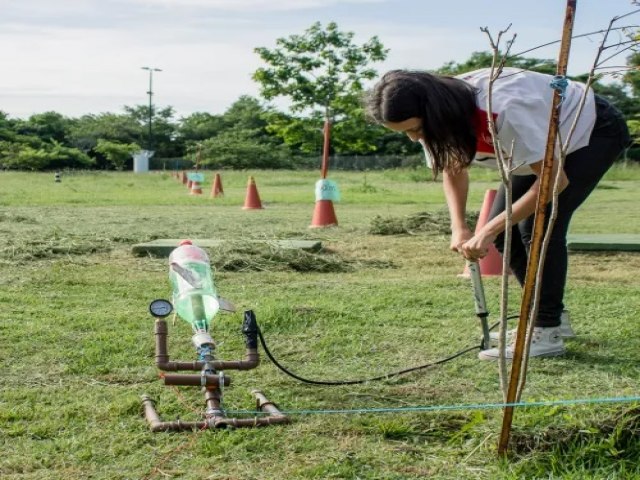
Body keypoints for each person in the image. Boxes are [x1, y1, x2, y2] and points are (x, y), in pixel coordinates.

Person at [367, 67, 630, 360]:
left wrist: (487, 230)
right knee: (507, 231)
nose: (414, 139)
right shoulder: (438, 119)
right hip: (540, 147)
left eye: (416, 129)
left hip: (591, 130)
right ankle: (550, 317)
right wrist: (460, 227)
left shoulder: (503, 108)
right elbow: (453, 168)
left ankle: (546, 331)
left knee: (538, 227)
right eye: (405, 132)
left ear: (436, 111)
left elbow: (553, 182)